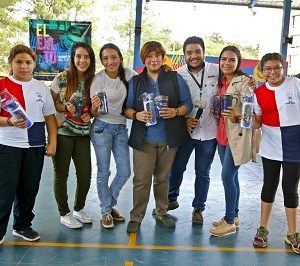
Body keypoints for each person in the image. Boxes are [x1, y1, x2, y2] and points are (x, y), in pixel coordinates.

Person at [125, 41, 193, 233]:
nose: (153, 59)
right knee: (141, 180)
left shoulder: (174, 78)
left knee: (163, 178)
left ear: (163, 57)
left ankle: (162, 211)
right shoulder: (136, 82)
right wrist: (136, 115)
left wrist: (176, 111)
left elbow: (188, 104)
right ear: (144, 59)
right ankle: (136, 216)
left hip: (168, 139)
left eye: (157, 55)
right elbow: (127, 108)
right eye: (149, 56)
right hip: (144, 140)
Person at [0, 44, 57, 243]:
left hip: (35, 146)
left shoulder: (41, 87)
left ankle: (22, 226)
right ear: (11, 63)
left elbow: (50, 117)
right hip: (8, 146)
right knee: (4, 190)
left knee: (29, 189)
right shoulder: (2, 86)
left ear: (34, 64)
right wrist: (9, 121)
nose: (23, 66)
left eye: (28, 62)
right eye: (18, 62)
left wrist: (52, 142)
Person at [252, 53, 300, 254]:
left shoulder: (295, 84)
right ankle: (263, 229)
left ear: (283, 68)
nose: (273, 72)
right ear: (262, 72)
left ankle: (292, 233)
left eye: (277, 67)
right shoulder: (258, 93)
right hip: (271, 146)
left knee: (290, 189)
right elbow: (257, 122)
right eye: (268, 69)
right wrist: (242, 117)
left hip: (295, 146)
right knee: (269, 186)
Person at [167, 36, 218, 224]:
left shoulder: (216, 70)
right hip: (186, 132)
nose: (194, 56)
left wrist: (250, 79)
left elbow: (235, 77)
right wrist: (184, 119)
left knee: (203, 173)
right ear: (184, 55)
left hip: (210, 132)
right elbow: (174, 103)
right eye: (189, 52)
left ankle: (198, 208)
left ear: (204, 52)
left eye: (197, 51)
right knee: (177, 168)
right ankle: (170, 200)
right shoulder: (179, 75)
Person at [209, 45, 255, 237]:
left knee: (227, 177)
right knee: (232, 177)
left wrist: (237, 116)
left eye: (231, 60)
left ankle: (229, 222)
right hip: (221, 136)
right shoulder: (220, 82)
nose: (227, 63)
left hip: (237, 136)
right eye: (224, 59)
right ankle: (233, 215)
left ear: (238, 62)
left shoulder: (245, 82)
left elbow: (249, 111)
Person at [89, 43, 137, 229]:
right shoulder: (98, 79)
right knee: (104, 172)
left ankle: (108, 205)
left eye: (113, 57)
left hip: (121, 128)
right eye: (106, 58)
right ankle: (106, 212)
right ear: (102, 61)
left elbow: (146, 82)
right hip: (101, 127)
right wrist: (94, 107)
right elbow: (94, 113)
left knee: (125, 172)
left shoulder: (129, 74)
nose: (110, 61)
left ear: (119, 57)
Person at [50, 42, 95, 229]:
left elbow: (94, 107)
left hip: (83, 134)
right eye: (78, 56)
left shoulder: (94, 80)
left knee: (85, 175)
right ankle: (64, 213)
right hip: (63, 133)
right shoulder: (61, 78)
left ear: (91, 60)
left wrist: (90, 113)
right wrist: (64, 106)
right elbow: (52, 105)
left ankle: (78, 209)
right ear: (73, 58)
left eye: (86, 57)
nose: (82, 60)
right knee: (61, 174)